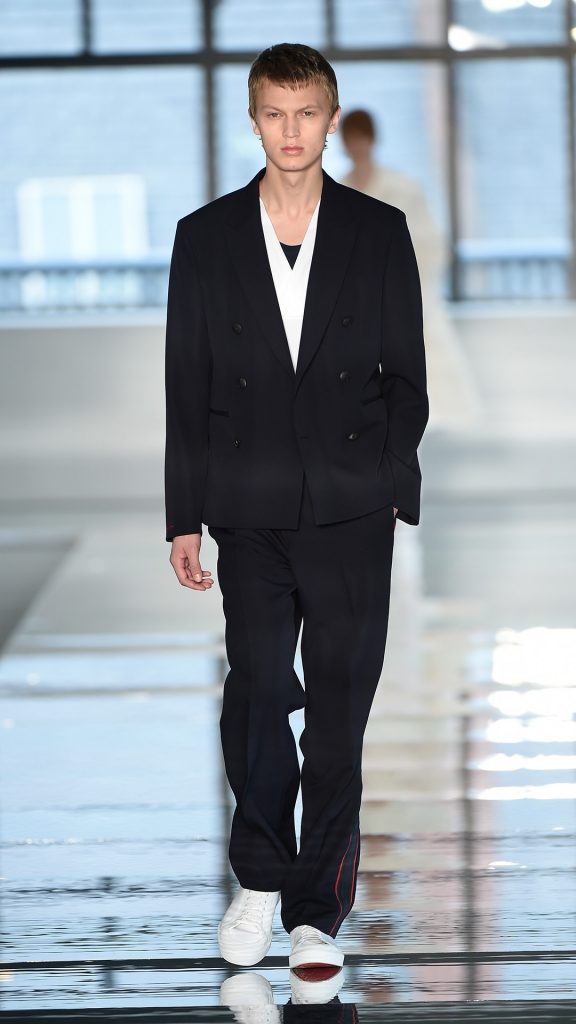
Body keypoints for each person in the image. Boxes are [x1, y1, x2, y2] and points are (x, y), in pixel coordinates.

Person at [164, 43, 428, 972]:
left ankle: (317, 913)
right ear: (254, 120)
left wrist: (389, 478)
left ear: (329, 117)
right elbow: (186, 385)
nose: (291, 130)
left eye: (306, 112)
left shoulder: (378, 230)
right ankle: (261, 876)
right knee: (260, 687)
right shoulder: (205, 237)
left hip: (352, 505)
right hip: (249, 504)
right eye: (274, 113)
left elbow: (408, 376)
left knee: (340, 710)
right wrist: (183, 515)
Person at [339, 108, 481, 431]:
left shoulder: (402, 188)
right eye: (351, 139)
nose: (357, 145)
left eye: (362, 137)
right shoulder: (338, 191)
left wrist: (412, 282)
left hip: (404, 287)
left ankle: (443, 416)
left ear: (372, 140)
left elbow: (429, 240)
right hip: (359, 293)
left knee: (422, 347)